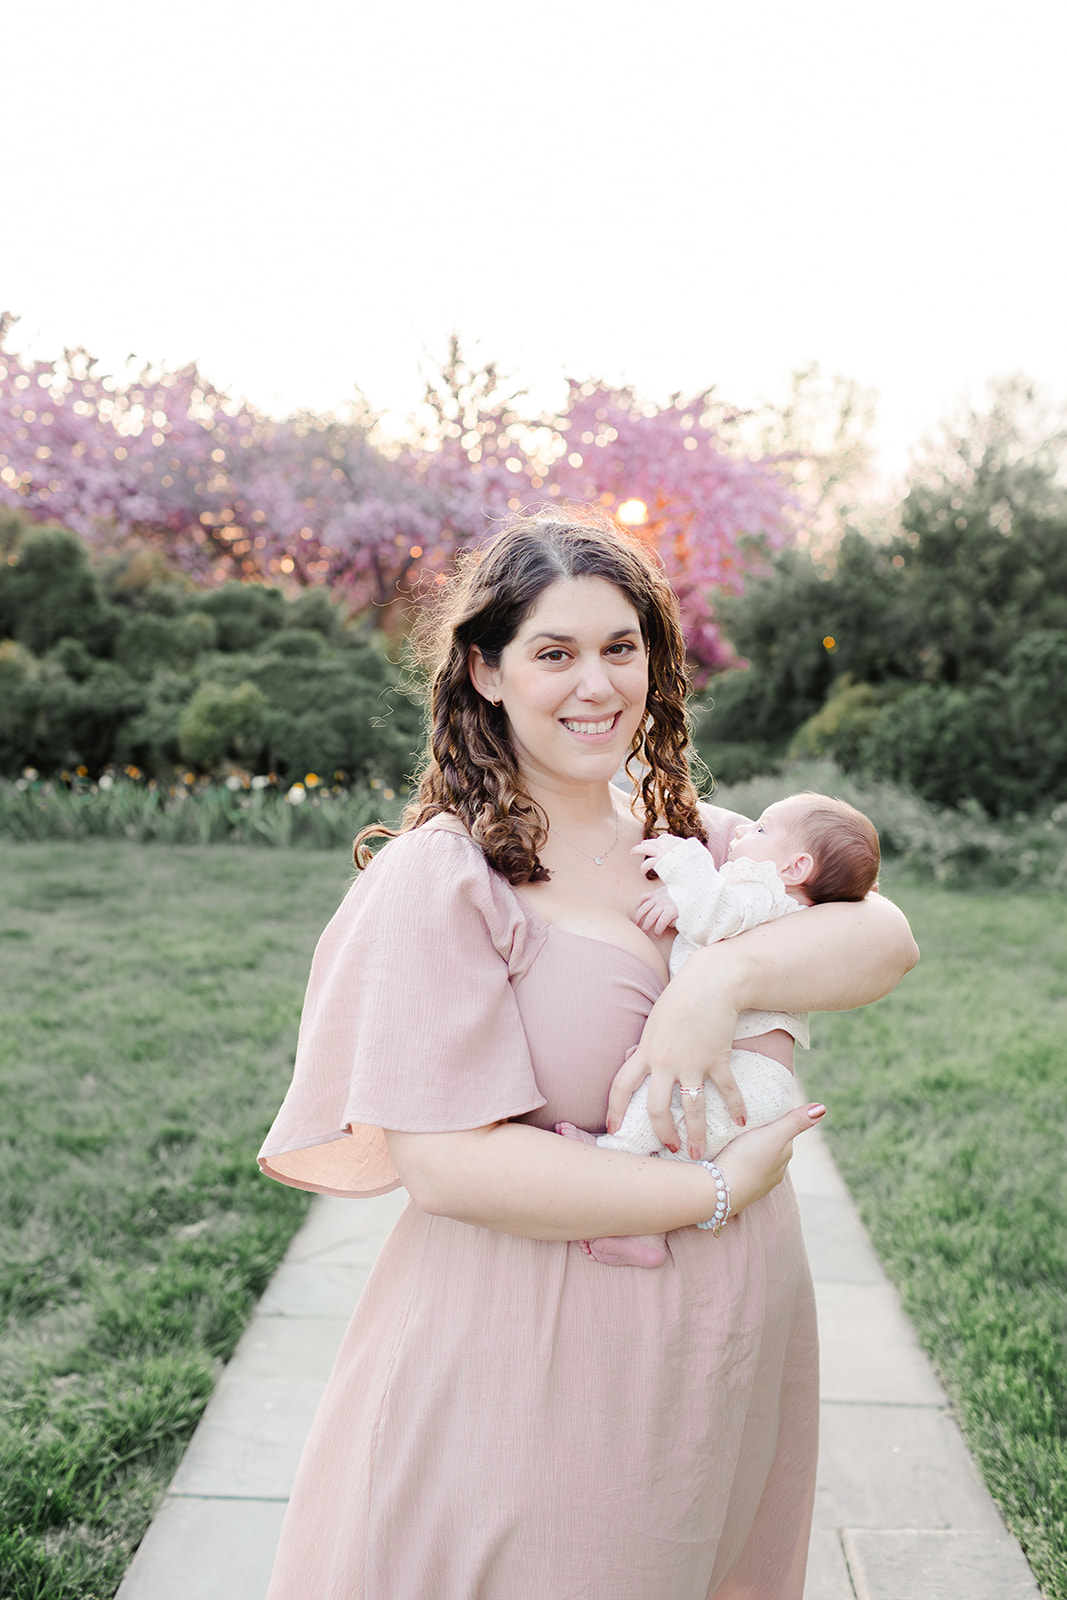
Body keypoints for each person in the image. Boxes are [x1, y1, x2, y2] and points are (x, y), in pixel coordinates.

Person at [257, 507, 917, 1600]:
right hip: (533, 1350)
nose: (595, 685)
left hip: (724, 1345)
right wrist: (710, 1186)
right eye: (553, 653)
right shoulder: (444, 877)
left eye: (620, 648)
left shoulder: (701, 841)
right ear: (483, 671)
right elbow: (446, 1163)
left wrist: (718, 982)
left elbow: (883, 939)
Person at [559, 793, 881, 1268]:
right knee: (676, 1125)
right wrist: (681, 898)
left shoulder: (767, 892)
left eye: (761, 830)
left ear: (795, 868)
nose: (739, 832)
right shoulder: (770, 904)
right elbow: (716, 911)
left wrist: (682, 859)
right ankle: (644, 1215)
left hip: (750, 1076)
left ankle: (616, 1159)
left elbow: (718, 914)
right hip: (753, 1074)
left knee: (670, 1110)